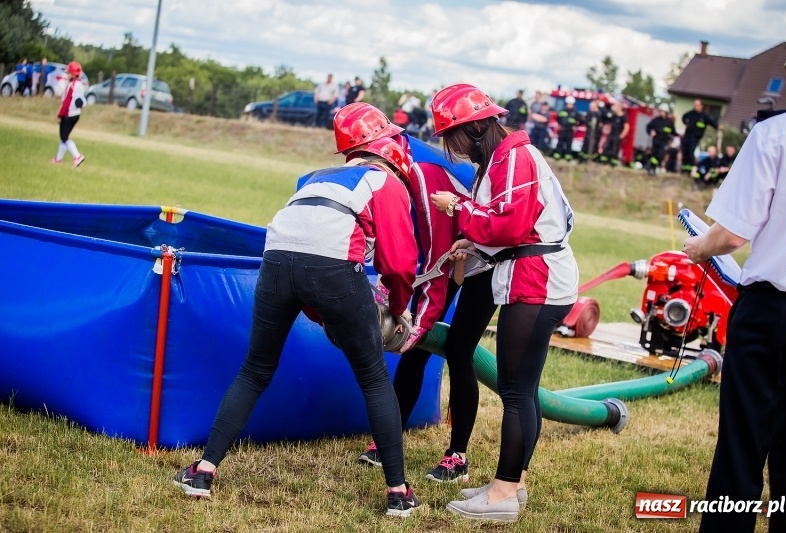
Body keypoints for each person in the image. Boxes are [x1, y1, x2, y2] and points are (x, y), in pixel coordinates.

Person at [172, 105, 423, 517]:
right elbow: (398, 266)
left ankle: (203, 471)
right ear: (385, 145)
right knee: (375, 378)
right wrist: (399, 310)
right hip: (333, 268)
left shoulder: (311, 178)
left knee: (254, 370)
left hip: (274, 262)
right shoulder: (386, 183)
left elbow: (301, 251)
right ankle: (398, 492)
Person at [429, 83, 579, 522]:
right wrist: (469, 238)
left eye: (451, 137)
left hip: (535, 278)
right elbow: (504, 224)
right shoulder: (508, 156)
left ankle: (502, 494)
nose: (452, 149)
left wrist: (457, 208)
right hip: (534, 274)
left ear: (473, 128)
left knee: (514, 391)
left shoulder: (515, 157)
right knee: (523, 390)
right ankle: (514, 482)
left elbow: (510, 227)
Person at [684, 25, 786, 533]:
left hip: (773, 311)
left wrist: (696, 246)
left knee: (741, 447)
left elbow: (730, 235)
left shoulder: (776, 134)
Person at [345, 103, 495, 486]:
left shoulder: (426, 183)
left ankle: (456, 455)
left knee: (459, 350)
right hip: (447, 257)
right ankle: (387, 441)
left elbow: (438, 266)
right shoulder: (388, 181)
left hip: (485, 264)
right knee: (417, 349)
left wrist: (417, 321)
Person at [51, 61, 86, 167]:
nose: (67, 74)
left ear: (73, 74)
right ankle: (58, 159)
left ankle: (77, 156)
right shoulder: (80, 84)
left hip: (68, 114)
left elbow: (66, 102)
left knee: (64, 137)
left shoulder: (71, 85)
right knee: (64, 137)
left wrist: (60, 115)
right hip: (76, 114)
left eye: (69, 73)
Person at [680, 99, 718, 174]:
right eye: (695, 105)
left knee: (691, 153)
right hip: (687, 136)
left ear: (701, 106)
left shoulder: (704, 116)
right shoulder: (690, 113)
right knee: (685, 152)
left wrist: (718, 127)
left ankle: (690, 171)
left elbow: (712, 122)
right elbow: (684, 117)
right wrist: (686, 123)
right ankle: (684, 170)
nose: (696, 107)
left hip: (695, 138)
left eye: (697, 105)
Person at [645, 103, 676, 176]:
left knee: (660, 155)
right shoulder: (656, 120)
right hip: (656, 140)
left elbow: (673, 132)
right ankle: (652, 168)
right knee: (654, 154)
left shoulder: (669, 122)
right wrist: (651, 132)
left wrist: (678, 135)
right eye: (661, 111)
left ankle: (650, 166)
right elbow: (648, 127)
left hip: (664, 141)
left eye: (663, 111)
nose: (661, 113)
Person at [598, 102, 628, 166]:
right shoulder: (614, 115)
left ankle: (612, 163)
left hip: (617, 136)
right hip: (611, 135)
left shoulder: (623, 117)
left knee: (615, 150)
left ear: (619, 108)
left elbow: (626, 127)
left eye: (616, 107)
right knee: (606, 148)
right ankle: (604, 161)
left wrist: (621, 136)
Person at [553, 95, 581, 161]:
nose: (569, 105)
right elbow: (558, 119)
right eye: (568, 104)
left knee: (569, 144)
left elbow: (579, 121)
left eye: (571, 104)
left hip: (570, 130)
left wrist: (575, 125)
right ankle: (557, 155)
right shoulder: (561, 111)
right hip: (562, 129)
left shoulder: (575, 113)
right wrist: (559, 125)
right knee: (560, 143)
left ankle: (567, 157)